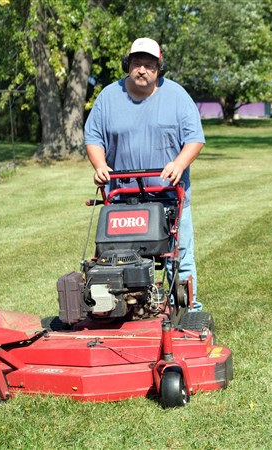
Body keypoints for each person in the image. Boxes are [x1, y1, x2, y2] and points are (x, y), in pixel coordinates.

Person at [84, 37, 204, 311]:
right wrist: (100, 165)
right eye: (137, 64)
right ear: (128, 65)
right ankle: (118, 304)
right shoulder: (109, 97)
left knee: (179, 257)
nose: (142, 70)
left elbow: (195, 139)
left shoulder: (177, 96)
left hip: (168, 194)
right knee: (115, 256)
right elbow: (93, 137)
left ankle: (188, 309)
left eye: (149, 65)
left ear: (158, 68)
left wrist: (179, 164)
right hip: (122, 197)